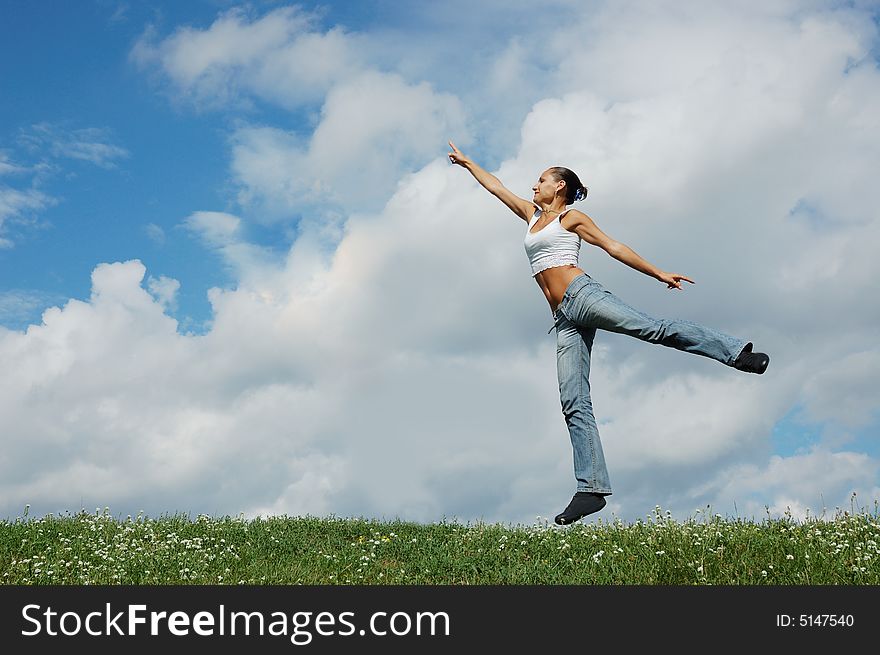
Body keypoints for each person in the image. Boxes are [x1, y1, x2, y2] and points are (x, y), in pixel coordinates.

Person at [447, 141, 769, 525]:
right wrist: (469, 164)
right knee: (573, 400)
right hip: (564, 317)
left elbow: (613, 246)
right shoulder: (532, 216)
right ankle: (591, 489)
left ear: (560, 186)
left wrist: (658, 273)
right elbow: (497, 187)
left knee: (653, 328)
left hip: (583, 296)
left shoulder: (572, 219)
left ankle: (736, 353)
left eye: (541, 180)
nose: (534, 187)